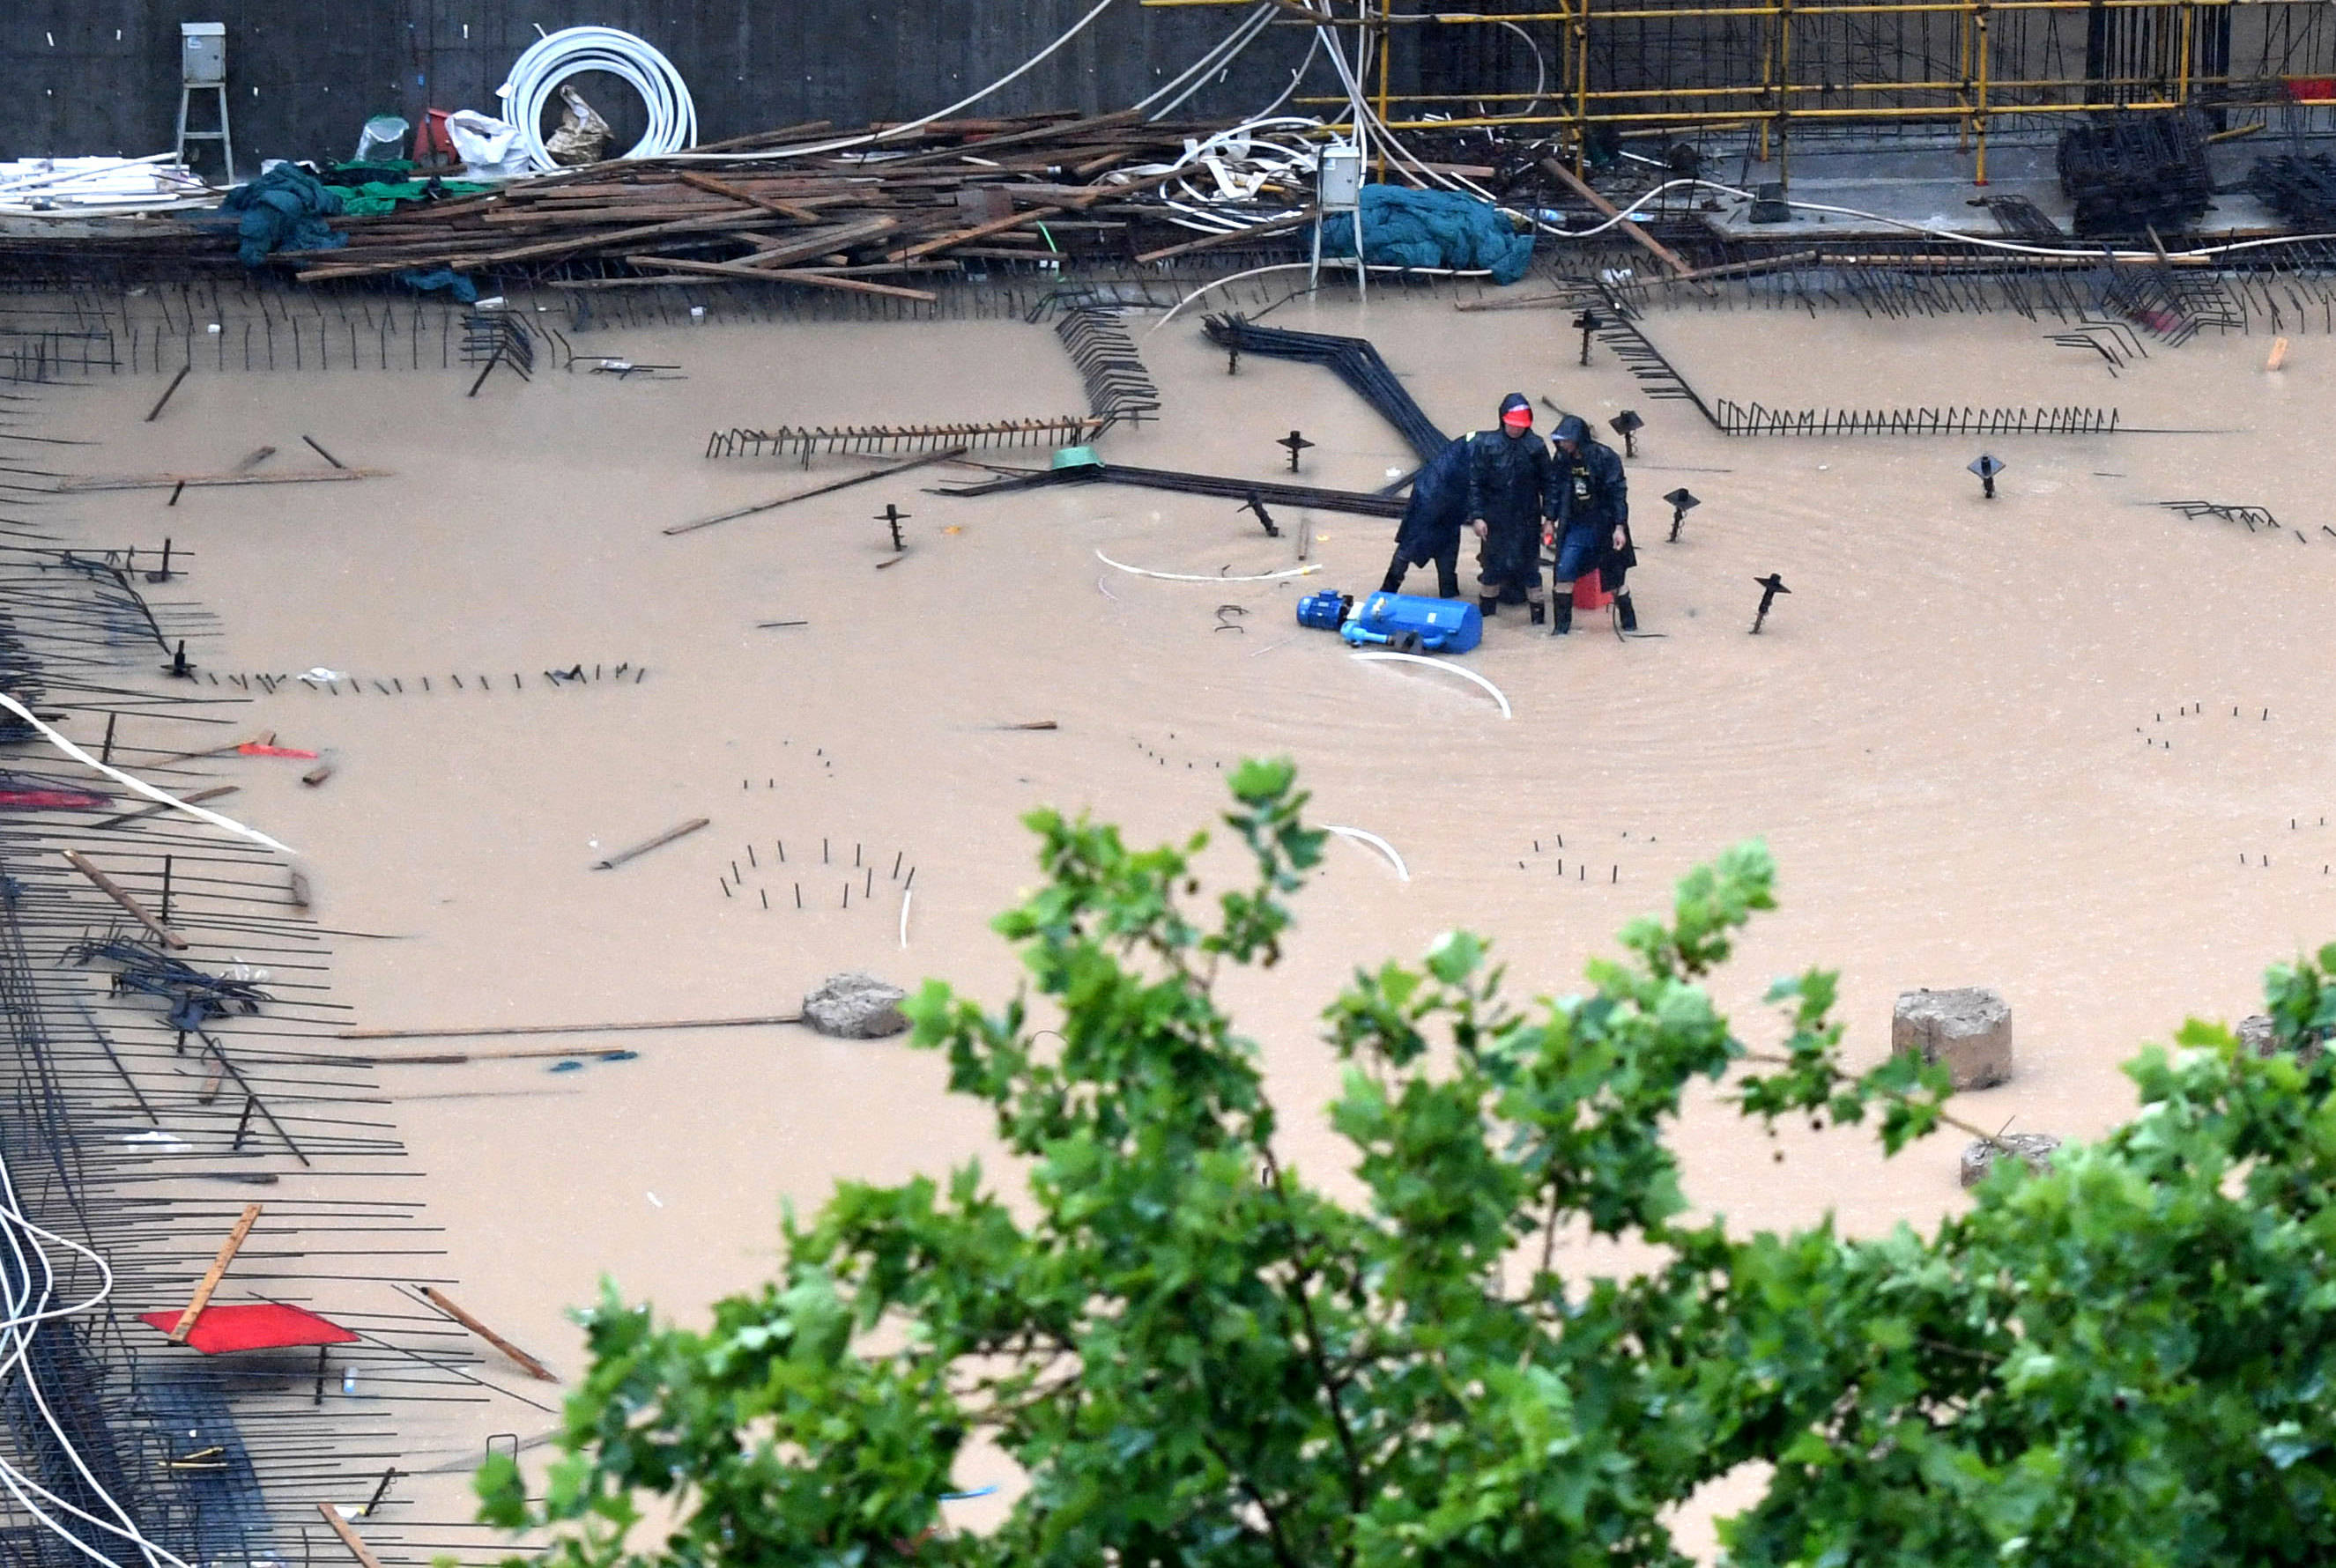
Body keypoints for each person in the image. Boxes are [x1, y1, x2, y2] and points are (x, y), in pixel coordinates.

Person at [1466, 393, 1552, 625]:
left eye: (1520, 425)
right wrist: (1477, 516)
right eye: (1512, 424)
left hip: (1527, 518)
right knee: (1491, 569)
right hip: (1495, 519)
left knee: (1531, 569)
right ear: (1503, 420)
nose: (1516, 429)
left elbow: (1549, 483)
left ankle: (1539, 621)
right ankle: (1486, 619)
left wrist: (1549, 517)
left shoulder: (1536, 447)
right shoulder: (1487, 445)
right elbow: (1475, 483)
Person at [1546, 413, 1633, 634]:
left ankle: (1630, 626)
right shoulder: (1561, 459)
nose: (1562, 444)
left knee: (1615, 582)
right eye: (1560, 440)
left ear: (1578, 439)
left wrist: (1619, 526)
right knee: (1564, 574)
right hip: (1575, 526)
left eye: (1566, 440)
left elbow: (1617, 493)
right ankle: (1561, 631)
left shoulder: (1605, 457)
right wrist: (1549, 520)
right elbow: (1554, 490)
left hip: (1604, 526)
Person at [1377, 433, 1472, 600]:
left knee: (1447, 559)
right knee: (1407, 551)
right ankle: (1387, 591)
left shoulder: (1465, 460)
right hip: (1428, 510)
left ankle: (1449, 594)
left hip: (1451, 512)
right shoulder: (1443, 473)